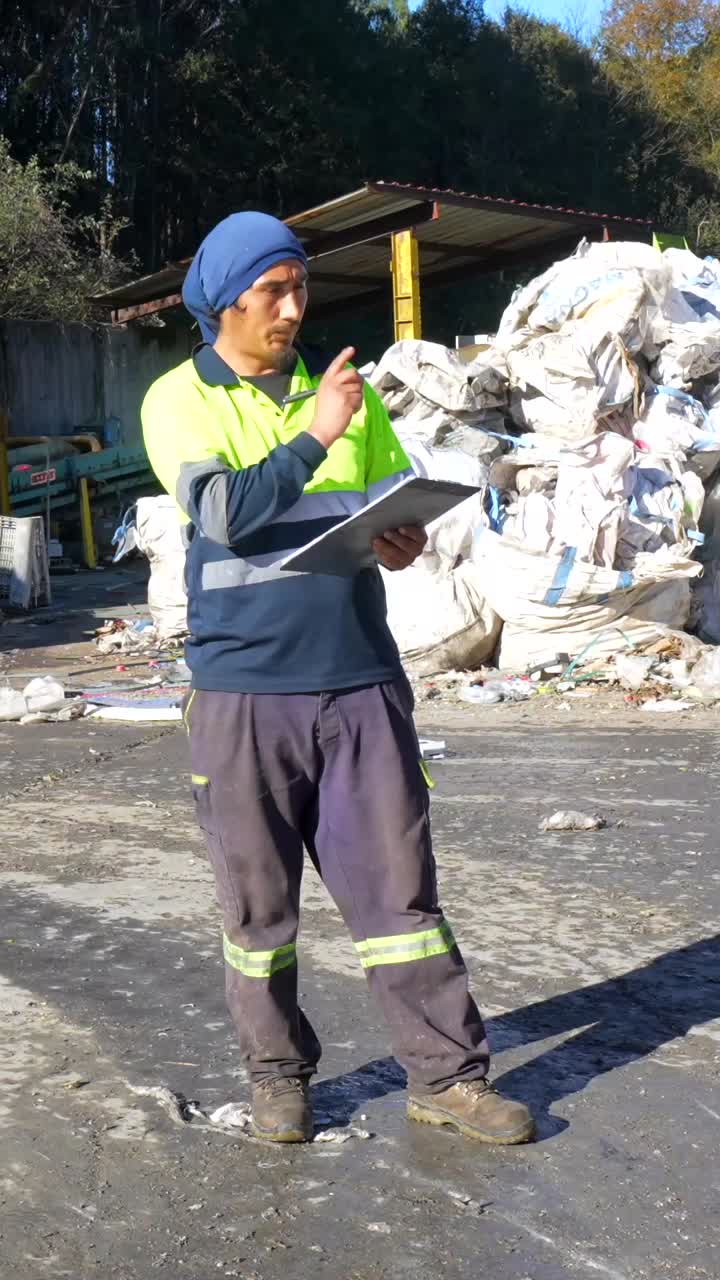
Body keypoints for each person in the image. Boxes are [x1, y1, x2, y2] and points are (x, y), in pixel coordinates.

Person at [141, 211, 534, 1146]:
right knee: (258, 909)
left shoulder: (346, 393)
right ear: (223, 300)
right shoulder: (180, 400)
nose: (293, 307)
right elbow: (228, 513)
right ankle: (279, 1080)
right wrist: (317, 434)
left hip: (360, 681)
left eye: (300, 288)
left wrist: (403, 540)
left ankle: (447, 1077)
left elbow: (389, 517)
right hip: (243, 694)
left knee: (402, 901)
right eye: (273, 291)